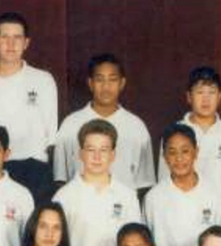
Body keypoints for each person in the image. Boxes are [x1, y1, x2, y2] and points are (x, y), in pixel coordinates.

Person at [0, 11, 59, 202]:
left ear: (26, 42)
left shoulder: (43, 81)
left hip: (34, 172)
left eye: (17, 37)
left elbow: (52, 138)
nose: (11, 44)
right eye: (5, 37)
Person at [52, 119, 142, 246]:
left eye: (104, 150)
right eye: (91, 150)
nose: (97, 157)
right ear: (81, 153)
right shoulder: (64, 197)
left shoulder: (127, 196)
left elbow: (135, 243)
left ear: (113, 155)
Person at [53, 53, 155, 192]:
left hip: (123, 209)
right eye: (100, 80)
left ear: (122, 83)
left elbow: (144, 183)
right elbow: (60, 179)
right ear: (90, 83)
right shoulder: (70, 125)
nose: (106, 87)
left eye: (112, 80)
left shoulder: (137, 127)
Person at [145, 123, 221, 246]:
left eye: (185, 151)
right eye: (172, 152)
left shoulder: (215, 195)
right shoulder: (153, 197)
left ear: (196, 152)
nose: (179, 159)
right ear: (164, 156)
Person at [157, 66, 221, 204]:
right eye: (200, 92)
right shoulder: (174, 133)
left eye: (211, 92)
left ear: (220, 96)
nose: (206, 99)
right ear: (189, 96)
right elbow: (163, 181)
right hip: (182, 207)